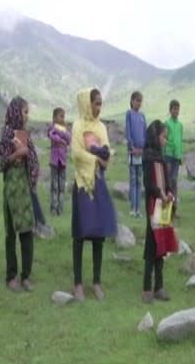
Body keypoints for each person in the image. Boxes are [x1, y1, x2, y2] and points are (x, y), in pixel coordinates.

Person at [71, 88, 117, 301]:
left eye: (100, 104)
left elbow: (107, 153)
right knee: (80, 234)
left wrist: (100, 156)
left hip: (98, 182)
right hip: (82, 184)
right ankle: (78, 283)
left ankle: (96, 282)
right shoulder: (77, 126)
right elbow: (76, 154)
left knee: (98, 235)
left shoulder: (101, 127)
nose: (98, 108)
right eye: (95, 104)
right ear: (87, 103)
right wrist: (96, 157)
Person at [0, 96, 37, 293]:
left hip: (25, 188)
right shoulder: (6, 134)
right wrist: (16, 155)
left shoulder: (26, 134)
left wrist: (27, 153)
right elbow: (0, 164)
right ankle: (11, 276)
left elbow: (34, 160)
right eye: (25, 111)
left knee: (27, 231)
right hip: (11, 189)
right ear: (15, 112)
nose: (27, 116)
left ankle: (26, 275)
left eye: (28, 112)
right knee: (11, 233)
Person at [142, 120, 178, 303]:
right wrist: (160, 194)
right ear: (155, 137)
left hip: (163, 206)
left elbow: (167, 180)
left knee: (161, 245)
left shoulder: (161, 158)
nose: (165, 141)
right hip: (153, 205)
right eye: (164, 137)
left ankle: (159, 287)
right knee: (151, 245)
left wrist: (169, 193)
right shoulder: (148, 157)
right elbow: (148, 184)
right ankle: (147, 288)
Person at [125, 91, 147, 217]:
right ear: (132, 101)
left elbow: (144, 133)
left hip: (141, 152)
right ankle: (132, 208)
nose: (139, 103)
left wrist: (143, 148)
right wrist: (132, 147)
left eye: (140, 101)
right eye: (137, 100)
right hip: (133, 152)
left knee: (139, 180)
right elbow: (128, 132)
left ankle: (138, 209)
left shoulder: (142, 116)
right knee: (133, 180)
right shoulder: (129, 114)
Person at [48, 107, 71, 215]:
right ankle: (53, 207)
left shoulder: (64, 129)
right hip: (54, 161)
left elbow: (69, 139)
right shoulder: (53, 128)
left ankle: (60, 208)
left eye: (63, 116)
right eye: (60, 116)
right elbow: (51, 135)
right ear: (54, 117)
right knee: (54, 186)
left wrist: (63, 134)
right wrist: (60, 139)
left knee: (61, 186)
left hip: (63, 162)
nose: (62, 118)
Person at [164, 99, 183, 218]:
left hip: (176, 157)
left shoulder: (180, 125)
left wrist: (180, 155)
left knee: (174, 182)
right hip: (168, 155)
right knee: (168, 182)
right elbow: (165, 139)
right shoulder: (167, 123)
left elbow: (180, 141)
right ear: (170, 110)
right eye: (174, 109)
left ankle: (174, 208)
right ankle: (167, 209)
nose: (176, 111)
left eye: (177, 109)